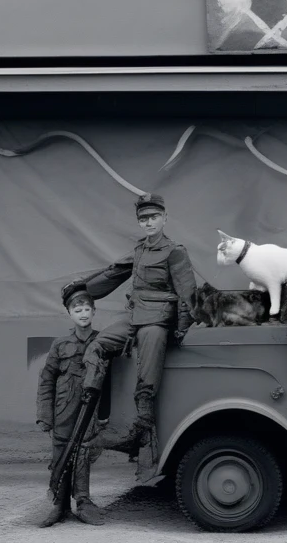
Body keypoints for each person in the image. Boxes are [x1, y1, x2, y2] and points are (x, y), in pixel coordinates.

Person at [67, 193, 197, 479]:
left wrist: (183, 329)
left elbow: (188, 293)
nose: (148, 222)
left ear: (165, 218)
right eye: (143, 219)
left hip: (160, 321)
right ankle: (94, 412)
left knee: (146, 375)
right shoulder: (140, 250)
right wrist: (81, 289)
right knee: (98, 344)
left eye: (153, 217)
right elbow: (113, 274)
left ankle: (142, 428)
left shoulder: (175, 251)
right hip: (136, 316)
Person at [35, 283, 105, 527]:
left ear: (94, 311)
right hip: (63, 407)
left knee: (83, 451)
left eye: (87, 308)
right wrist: (45, 415)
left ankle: (83, 502)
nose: (83, 313)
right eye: (78, 310)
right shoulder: (60, 345)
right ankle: (59, 505)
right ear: (69, 314)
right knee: (60, 452)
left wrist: (106, 413)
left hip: (91, 408)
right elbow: (46, 380)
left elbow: (114, 381)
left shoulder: (104, 341)